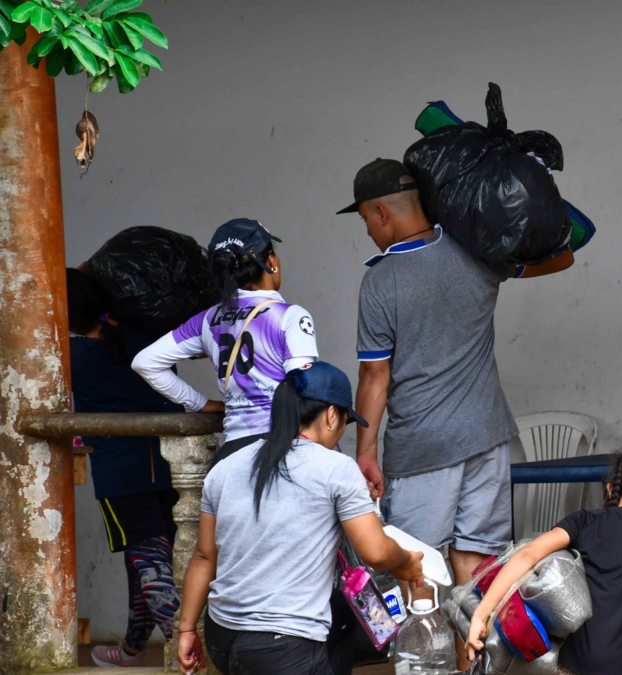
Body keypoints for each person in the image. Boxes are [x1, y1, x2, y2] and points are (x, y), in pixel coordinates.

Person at [339, 159, 573, 593]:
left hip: (423, 447)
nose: (368, 230)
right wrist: (541, 197)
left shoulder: (381, 281)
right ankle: (474, 656)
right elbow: (563, 258)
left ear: (381, 213)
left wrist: (365, 453)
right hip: (487, 435)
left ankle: (422, 661)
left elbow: (375, 374)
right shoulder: (477, 253)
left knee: (415, 563)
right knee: (478, 560)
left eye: (365, 219)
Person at [176, 361, 424, 675]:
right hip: (282, 646)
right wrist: (407, 562)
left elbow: (203, 555)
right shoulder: (335, 468)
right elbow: (375, 553)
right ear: (332, 415)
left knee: (342, 612)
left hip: (222, 636)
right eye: (345, 421)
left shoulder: (226, 467)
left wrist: (186, 630)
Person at [466, 449, 622, 675]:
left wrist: (481, 615)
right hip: (619, 665)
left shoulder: (584, 521)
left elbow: (527, 554)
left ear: (610, 488)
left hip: (567, 661)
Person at [66, 268, 184, 668]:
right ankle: (133, 648)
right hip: (165, 466)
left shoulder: (72, 357)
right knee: (152, 562)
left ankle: (189, 649)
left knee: (149, 568)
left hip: (119, 473)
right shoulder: (139, 339)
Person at [133, 218, 319, 465]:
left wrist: (199, 403)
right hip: (286, 448)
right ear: (271, 261)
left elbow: (145, 362)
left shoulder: (207, 320)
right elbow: (304, 389)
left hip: (234, 454)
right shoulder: (290, 316)